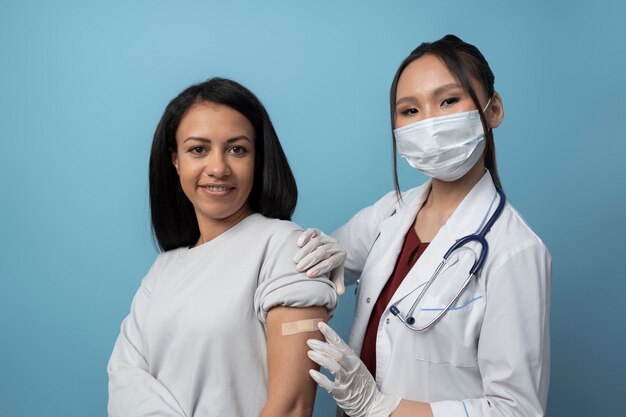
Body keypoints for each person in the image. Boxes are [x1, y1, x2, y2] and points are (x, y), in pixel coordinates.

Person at [294, 34, 551, 417]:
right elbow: (301, 272)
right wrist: (320, 259)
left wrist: (381, 407)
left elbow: (515, 410)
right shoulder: (391, 212)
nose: (429, 124)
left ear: (493, 109)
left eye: (448, 100)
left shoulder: (515, 251)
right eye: (410, 111)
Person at [107, 77, 337, 417]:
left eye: (237, 149)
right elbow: (124, 380)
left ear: (258, 159)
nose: (217, 168)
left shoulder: (286, 249)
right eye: (198, 149)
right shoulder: (163, 270)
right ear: (175, 160)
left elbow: (291, 408)